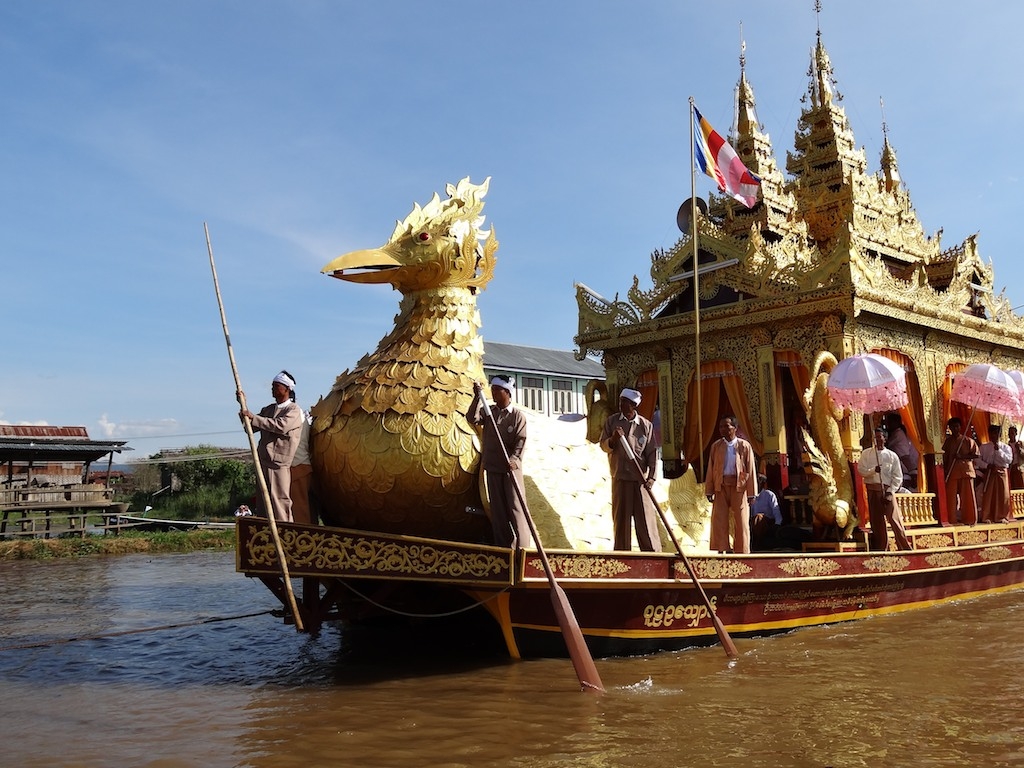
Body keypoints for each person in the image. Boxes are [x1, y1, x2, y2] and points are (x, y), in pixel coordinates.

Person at [466, 375, 529, 548]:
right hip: (493, 467)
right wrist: (477, 397)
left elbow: (520, 441)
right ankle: (504, 548)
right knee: (499, 512)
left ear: (507, 392)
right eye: (492, 389)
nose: (493, 393)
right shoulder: (490, 412)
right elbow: (472, 418)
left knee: (516, 509)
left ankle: (523, 549)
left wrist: (514, 460)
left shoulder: (517, 417)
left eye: (496, 390)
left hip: (510, 470)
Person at [599, 387, 662, 552]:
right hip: (620, 479)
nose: (621, 405)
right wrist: (613, 439)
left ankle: (653, 555)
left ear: (634, 405)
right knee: (621, 521)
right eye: (621, 401)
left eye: (625, 402)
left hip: (640, 481)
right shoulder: (612, 422)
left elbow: (652, 453)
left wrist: (651, 478)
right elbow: (604, 445)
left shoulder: (645, 426)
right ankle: (622, 555)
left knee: (645, 521)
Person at [239, 370, 304, 522]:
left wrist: (254, 418)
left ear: (287, 389)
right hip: (263, 461)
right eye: (272, 386)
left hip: (279, 463)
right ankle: (266, 534)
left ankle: (284, 532)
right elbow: (250, 427)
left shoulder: (294, 410)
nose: (273, 389)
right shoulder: (268, 409)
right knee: (263, 501)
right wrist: (242, 406)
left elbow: (280, 426)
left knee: (279, 501)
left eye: (277, 386)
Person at [706, 415, 757, 554]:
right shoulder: (716, 446)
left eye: (726, 426)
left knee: (741, 521)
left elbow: (751, 469)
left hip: (739, 487)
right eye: (721, 426)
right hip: (720, 486)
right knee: (719, 519)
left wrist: (752, 493)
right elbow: (711, 469)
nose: (723, 429)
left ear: (734, 428)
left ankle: (742, 551)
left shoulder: (744, 446)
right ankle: (722, 548)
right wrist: (709, 490)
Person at [857, 426, 912, 551]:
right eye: (874, 438)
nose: (877, 440)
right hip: (872, 489)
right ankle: (882, 548)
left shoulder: (892, 456)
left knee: (894, 519)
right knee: (877, 522)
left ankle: (904, 547)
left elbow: (898, 477)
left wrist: (890, 491)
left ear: (884, 439)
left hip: (886, 490)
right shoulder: (866, 454)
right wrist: (873, 471)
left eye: (879, 437)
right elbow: (861, 470)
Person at [942, 417, 978, 525]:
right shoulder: (948, 442)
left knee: (968, 496)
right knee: (951, 496)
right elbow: (944, 456)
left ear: (960, 427)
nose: (955, 429)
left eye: (957, 426)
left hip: (966, 470)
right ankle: (951, 519)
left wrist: (962, 456)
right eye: (953, 427)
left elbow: (976, 454)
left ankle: (970, 519)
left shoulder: (968, 440)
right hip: (953, 471)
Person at [976, 424, 1013, 523]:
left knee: (1002, 495)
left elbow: (1009, 460)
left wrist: (999, 451)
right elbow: (977, 460)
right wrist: (987, 465)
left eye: (996, 433)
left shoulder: (1006, 447)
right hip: (990, 472)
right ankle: (987, 516)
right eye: (992, 433)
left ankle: (1001, 516)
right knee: (989, 495)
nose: (994, 435)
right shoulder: (984, 447)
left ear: (999, 434)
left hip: (1002, 473)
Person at [289, 408, 317, 525]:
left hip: (297, 465)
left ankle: (304, 537)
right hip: (304, 465)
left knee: (299, 509)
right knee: (307, 506)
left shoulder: (295, 416)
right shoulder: (302, 417)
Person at [884, 413, 919, 491]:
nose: (888, 425)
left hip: (903, 459)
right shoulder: (896, 433)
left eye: (890, 422)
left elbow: (888, 444)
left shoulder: (898, 433)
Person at [749, 473, 781, 551]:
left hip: (768, 521)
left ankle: (757, 544)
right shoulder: (750, 496)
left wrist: (777, 524)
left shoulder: (769, 495)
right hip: (753, 521)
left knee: (758, 517)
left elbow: (775, 509)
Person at [1008, 426, 1024, 491]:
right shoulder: (1006, 446)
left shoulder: (1021, 444)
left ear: (1016, 434)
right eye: (1009, 433)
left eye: (1012, 433)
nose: (1010, 435)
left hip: (1020, 468)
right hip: (1012, 469)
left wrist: (1019, 449)